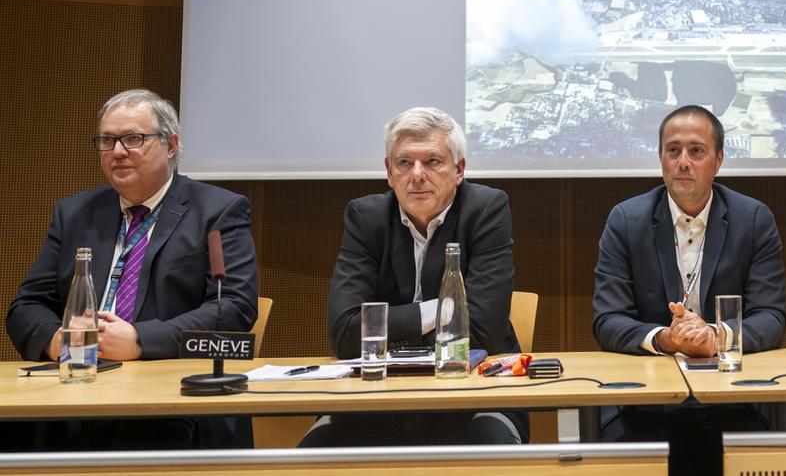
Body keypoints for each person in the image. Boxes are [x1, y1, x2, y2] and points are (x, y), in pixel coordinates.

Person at [5, 88, 259, 449]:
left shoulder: (218, 211)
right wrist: (61, 341)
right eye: (107, 141)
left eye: (133, 139)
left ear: (170, 145)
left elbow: (234, 306)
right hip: (75, 382)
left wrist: (140, 340)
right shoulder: (74, 213)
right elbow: (26, 306)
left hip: (166, 396)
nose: (118, 152)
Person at [300, 107, 525, 446]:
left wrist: (384, 328)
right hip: (375, 400)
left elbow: (481, 330)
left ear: (459, 169)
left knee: (493, 448)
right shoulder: (366, 217)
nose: (417, 175)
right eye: (405, 163)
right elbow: (345, 335)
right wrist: (441, 312)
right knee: (313, 453)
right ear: (389, 173)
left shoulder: (486, 209)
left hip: (470, 397)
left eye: (432, 161)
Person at [593, 105, 786, 476]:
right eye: (673, 150)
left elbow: (772, 317)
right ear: (661, 158)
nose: (683, 161)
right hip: (645, 398)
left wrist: (716, 336)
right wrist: (667, 338)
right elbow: (607, 320)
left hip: (733, 394)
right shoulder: (626, 220)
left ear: (719, 160)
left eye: (696, 151)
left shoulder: (753, 219)